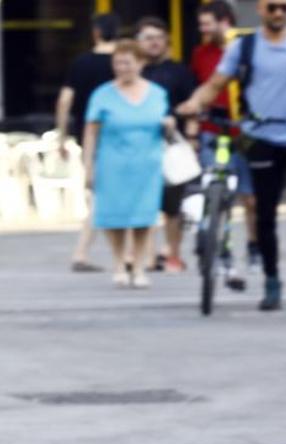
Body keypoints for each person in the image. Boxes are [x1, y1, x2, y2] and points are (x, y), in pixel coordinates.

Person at [179, 0, 286, 311]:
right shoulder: (243, 47)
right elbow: (216, 84)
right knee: (265, 211)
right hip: (260, 137)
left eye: (285, 7)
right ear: (260, 9)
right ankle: (272, 279)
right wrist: (194, 102)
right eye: (273, 7)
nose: (280, 13)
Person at [82, 40, 172, 290]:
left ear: (141, 63)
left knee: (144, 216)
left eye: (127, 63)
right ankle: (120, 263)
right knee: (114, 217)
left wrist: (170, 125)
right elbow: (91, 133)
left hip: (147, 164)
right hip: (112, 163)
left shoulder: (157, 94)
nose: (122, 68)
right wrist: (88, 166)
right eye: (117, 63)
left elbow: (164, 124)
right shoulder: (101, 94)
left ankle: (140, 265)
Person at [191, 0, 261, 275]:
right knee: (215, 190)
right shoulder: (200, 53)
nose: (204, 30)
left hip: (243, 131)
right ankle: (219, 248)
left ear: (225, 21)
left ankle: (254, 247)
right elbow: (200, 88)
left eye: (208, 24)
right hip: (212, 128)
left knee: (250, 196)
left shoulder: (248, 49)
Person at [56, 12, 120, 274]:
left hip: (89, 136)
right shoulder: (124, 63)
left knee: (100, 195)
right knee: (105, 196)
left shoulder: (81, 63)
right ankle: (88, 252)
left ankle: (91, 252)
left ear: (95, 32)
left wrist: (62, 135)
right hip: (121, 136)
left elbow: (64, 101)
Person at [137, 16, 197, 274]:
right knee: (144, 204)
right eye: (148, 38)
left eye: (158, 38)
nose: (154, 43)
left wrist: (193, 138)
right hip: (140, 147)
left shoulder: (179, 71)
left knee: (173, 206)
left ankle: (173, 254)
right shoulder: (134, 72)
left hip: (173, 148)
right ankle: (148, 256)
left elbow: (193, 107)